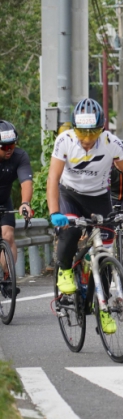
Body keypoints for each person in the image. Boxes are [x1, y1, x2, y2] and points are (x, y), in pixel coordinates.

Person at [47, 98, 123, 334]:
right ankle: (66, 270)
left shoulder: (111, 142)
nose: (88, 138)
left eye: (93, 132)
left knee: (105, 253)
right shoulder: (65, 141)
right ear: (74, 128)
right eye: (82, 132)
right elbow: (53, 178)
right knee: (70, 232)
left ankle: (103, 307)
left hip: (99, 197)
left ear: (102, 129)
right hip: (70, 194)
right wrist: (55, 212)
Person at [0, 121, 33, 297]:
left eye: (12, 144)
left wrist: (25, 203)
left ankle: (7, 277)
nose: (9, 149)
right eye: (4, 146)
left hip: (4, 201)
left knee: (8, 235)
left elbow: (26, 183)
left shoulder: (19, 156)